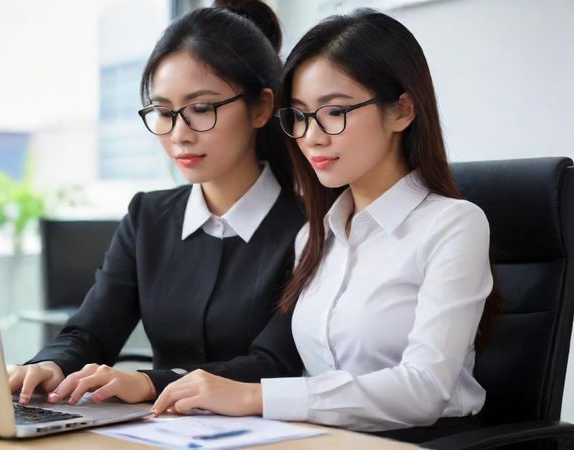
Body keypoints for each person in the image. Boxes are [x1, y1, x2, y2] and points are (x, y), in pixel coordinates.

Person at [153, 9, 499, 437]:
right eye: (298, 116)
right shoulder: (315, 236)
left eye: (334, 112)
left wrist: (253, 397)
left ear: (401, 111)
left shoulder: (453, 226)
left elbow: (424, 390)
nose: (312, 137)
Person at [8, 0, 305, 407]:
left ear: (261, 107)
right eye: (163, 111)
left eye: (201, 109)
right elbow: (90, 332)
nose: (179, 134)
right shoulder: (148, 216)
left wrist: (152, 383)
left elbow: (274, 363)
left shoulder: (312, 226)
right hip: (156, 434)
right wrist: (50, 366)